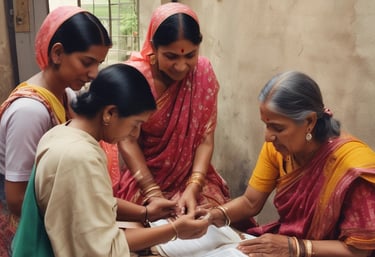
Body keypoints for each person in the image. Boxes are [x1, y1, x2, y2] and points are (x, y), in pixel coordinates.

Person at [11, 63, 210, 257]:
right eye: (135, 124)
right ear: (110, 113)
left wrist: (146, 213)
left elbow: (93, 201)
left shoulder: (63, 133)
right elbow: (103, 249)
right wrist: (174, 230)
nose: (135, 133)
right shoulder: (79, 157)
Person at [208, 71, 375, 257]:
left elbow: (360, 250)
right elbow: (250, 202)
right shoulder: (277, 148)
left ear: (309, 121)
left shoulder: (352, 168)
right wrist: (214, 216)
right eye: (266, 125)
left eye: (278, 128)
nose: (268, 136)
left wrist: (296, 248)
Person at [0, 6, 111, 256]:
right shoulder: (29, 111)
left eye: (98, 64)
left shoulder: (67, 95)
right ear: (58, 52)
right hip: (26, 232)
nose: (94, 74)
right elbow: (17, 199)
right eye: (87, 62)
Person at [115, 2, 230, 216]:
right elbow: (127, 139)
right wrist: (152, 191)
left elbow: (205, 139)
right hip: (144, 176)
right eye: (171, 56)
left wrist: (194, 186)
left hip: (191, 177)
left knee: (211, 217)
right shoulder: (136, 78)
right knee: (152, 226)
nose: (181, 66)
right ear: (153, 47)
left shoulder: (203, 73)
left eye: (190, 55)